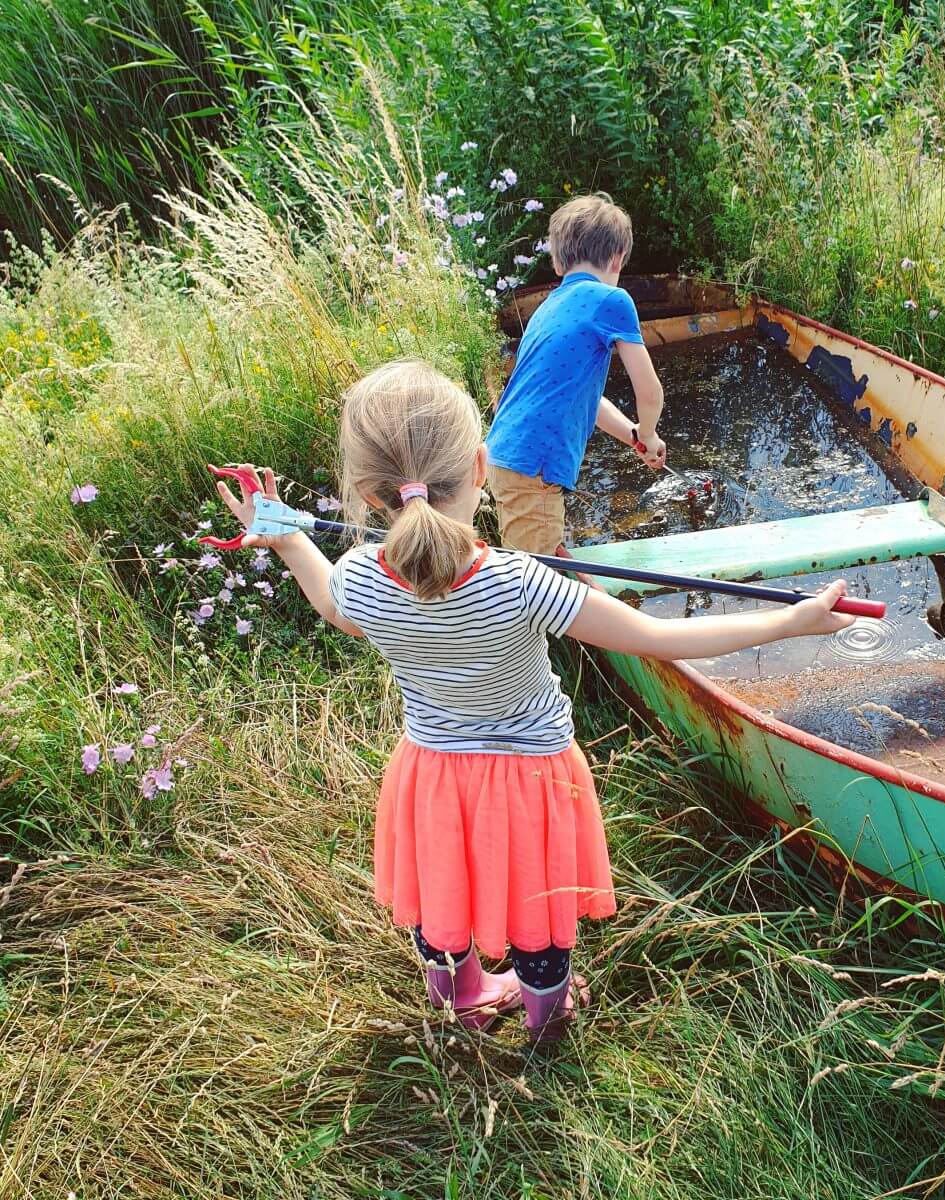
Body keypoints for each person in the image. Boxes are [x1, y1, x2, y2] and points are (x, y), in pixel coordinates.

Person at [214, 360, 856, 1043]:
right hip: (529, 781)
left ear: (372, 498)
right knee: (536, 913)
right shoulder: (525, 583)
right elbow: (662, 638)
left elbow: (327, 597)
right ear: (482, 469)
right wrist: (791, 621)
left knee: (443, 898)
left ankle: (459, 999)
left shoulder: (360, 583)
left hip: (431, 775)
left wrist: (284, 534)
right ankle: (546, 1021)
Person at [485, 191, 667, 555]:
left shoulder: (549, 307)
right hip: (534, 464)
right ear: (617, 260)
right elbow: (650, 393)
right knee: (533, 583)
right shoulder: (613, 301)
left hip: (505, 455)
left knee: (543, 557)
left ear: (557, 263)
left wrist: (633, 435)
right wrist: (649, 432)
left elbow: (586, 398)